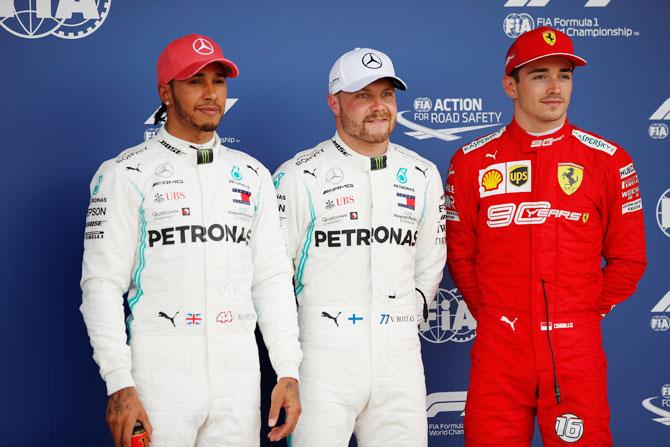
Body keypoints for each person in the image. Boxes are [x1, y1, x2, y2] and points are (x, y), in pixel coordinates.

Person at [80, 33, 302, 447]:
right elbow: (101, 286)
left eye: (218, 81)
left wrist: (288, 369)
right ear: (166, 92)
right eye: (195, 82)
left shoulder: (253, 176)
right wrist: (119, 383)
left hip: (237, 370)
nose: (210, 94)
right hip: (160, 371)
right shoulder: (125, 173)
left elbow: (271, 280)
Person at [445, 26, 646, 446]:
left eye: (565, 75)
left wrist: (583, 313)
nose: (555, 87)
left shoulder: (608, 160)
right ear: (510, 85)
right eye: (539, 75)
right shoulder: (471, 161)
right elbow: (460, 255)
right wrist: (498, 317)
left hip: (575, 351)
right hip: (500, 351)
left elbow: (629, 261)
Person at [273, 47, 446, 446]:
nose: (379, 107)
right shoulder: (299, 175)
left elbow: (430, 261)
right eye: (363, 96)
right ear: (334, 103)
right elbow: (274, 272)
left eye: (387, 94)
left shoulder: (422, 174)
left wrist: (404, 313)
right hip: (323, 356)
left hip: (399, 356)